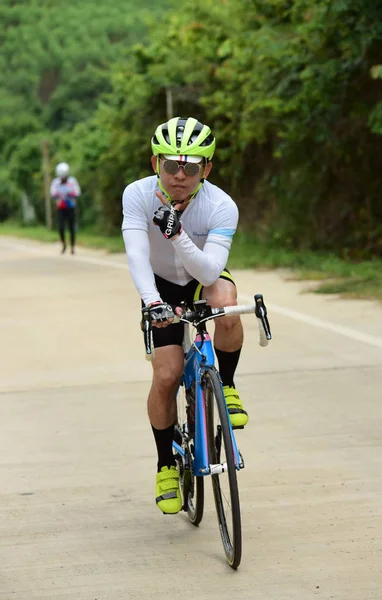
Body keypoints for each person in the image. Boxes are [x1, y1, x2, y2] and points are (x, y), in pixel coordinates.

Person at [122, 117, 247, 515]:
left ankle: (225, 384)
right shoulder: (137, 195)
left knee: (226, 301)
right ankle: (164, 465)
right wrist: (151, 301)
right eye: (170, 166)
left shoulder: (221, 205)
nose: (179, 176)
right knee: (166, 375)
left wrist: (177, 235)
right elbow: (137, 255)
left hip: (199, 279)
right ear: (154, 161)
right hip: (159, 286)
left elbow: (210, 272)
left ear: (206, 169)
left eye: (191, 168)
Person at [50, 162, 81, 254]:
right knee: (61, 227)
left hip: (70, 207)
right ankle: (63, 244)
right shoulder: (55, 182)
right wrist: (59, 194)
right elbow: (52, 193)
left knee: (71, 227)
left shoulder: (72, 181)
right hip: (60, 208)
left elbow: (77, 192)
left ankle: (72, 247)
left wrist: (69, 193)